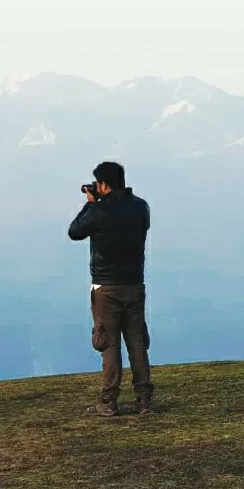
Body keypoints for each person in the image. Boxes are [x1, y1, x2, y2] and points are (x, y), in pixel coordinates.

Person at [68, 161, 154, 416]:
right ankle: (144, 399)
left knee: (109, 343)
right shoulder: (141, 207)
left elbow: (74, 231)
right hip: (135, 284)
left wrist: (91, 203)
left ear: (102, 184)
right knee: (137, 342)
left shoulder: (99, 211)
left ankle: (109, 401)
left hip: (106, 287)